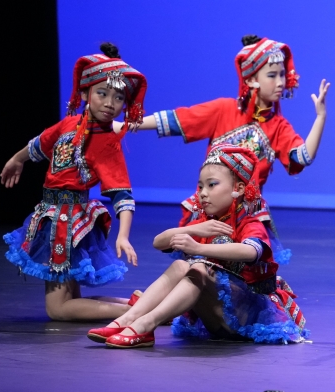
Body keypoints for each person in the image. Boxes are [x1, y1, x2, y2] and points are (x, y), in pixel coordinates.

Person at [129, 34, 329, 262]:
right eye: (272, 75)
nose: (281, 82)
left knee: (240, 273)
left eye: (282, 74)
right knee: (198, 269)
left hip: (246, 215)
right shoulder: (223, 110)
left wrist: (320, 117)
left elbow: (302, 157)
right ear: (251, 80)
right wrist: (126, 125)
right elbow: (178, 120)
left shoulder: (278, 126)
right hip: (210, 209)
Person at [90, 145, 307, 348]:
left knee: (199, 267)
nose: (203, 193)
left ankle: (146, 324)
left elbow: (251, 251)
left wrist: (198, 249)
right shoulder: (205, 224)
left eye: (212, 185)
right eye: (201, 186)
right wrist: (194, 229)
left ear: (238, 188)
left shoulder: (249, 223)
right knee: (180, 266)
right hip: (215, 317)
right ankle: (128, 319)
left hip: (243, 319)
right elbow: (158, 242)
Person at [0, 43, 145, 321]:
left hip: (67, 224)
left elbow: (122, 195)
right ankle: (140, 305)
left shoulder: (107, 143)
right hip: (52, 217)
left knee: (58, 309)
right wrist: (17, 159)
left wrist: (123, 235)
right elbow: (39, 144)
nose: (110, 103)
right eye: (102, 93)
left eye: (118, 98)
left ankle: (137, 313)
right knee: (69, 300)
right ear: (85, 93)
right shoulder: (69, 124)